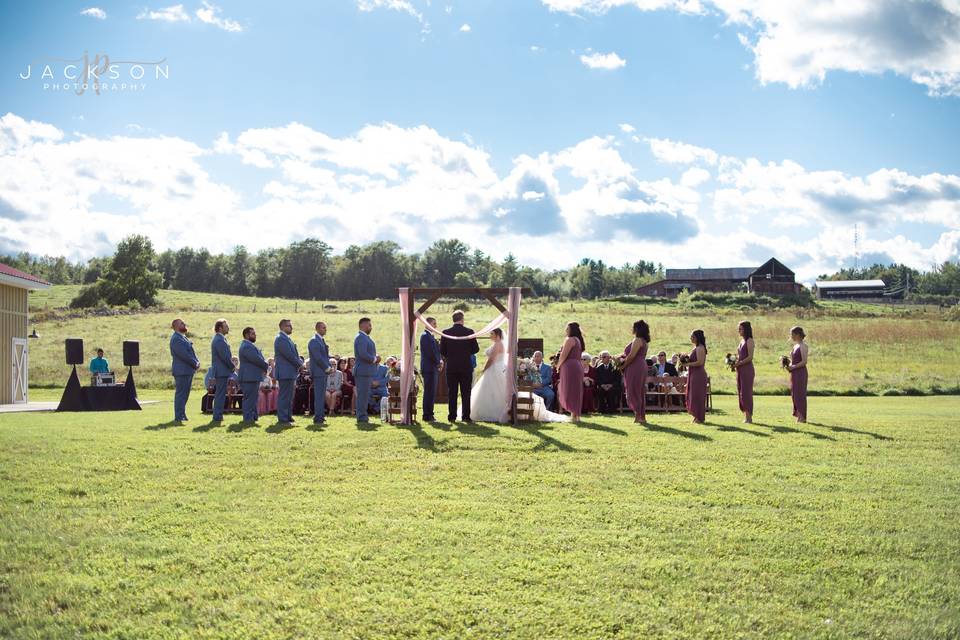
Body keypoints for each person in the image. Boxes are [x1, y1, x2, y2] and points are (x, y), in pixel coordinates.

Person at [440, 311, 480, 423]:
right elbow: (476, 349)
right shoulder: (469, 332)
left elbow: (442, 351)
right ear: (462, 319)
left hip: (451, 366)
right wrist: (466, 351)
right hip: (465, 366)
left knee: (452, 392)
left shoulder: (446, 332)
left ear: (453, 319)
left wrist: (451, 355)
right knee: (466, 392)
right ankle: (465, 416)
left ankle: (452, 416)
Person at [169, 318, 200, 423]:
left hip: (187, 370)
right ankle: (178, 416)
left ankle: (182, 414)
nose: (184, 324)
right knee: (181, 394)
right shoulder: (176, 339)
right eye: (182, 323)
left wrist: (197, 361)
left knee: (185, 394)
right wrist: (194, 363)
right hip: (181, 370)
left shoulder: (183, 337)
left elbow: (191, 353)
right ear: (176, 326)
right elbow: (184, 355)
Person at [274, 318, 303, 426]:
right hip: (285, 372)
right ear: (282, 327)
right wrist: (300, 364)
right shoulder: (281, 339)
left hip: (290, 371)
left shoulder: (287, 338)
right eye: (288, 326)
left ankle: (288, 416)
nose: (291, 327)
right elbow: (289, 356)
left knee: (289, 396)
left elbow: (293, 355)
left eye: (291, 325)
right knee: (284, 396)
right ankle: (282, 418)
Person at [620, 320, 650, 424]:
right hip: (640, 365)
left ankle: (638, 416)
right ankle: (641, 416)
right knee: (639, 391)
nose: (631, 329)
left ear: (637, 329)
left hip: (635, 366)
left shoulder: (637, 340)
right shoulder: (643, 341)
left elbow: (632, 355)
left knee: (634, 390)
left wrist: (623, 365)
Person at [238, 326, 268, 423]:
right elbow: (256, 359)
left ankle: (253, 416)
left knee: (253, 398)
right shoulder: (247, 346)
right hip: (249, 377)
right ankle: (248, 418)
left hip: (252, 376)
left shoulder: (248, 345)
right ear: (247, 335)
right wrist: (266, 366)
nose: (255, 335)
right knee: (249, 398)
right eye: (253, 334)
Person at [557, 322, 585, 422]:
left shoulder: (570, 339)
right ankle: (576, 415)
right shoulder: (578, 340)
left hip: (569, 366)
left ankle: (574, 416)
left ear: (572, 330)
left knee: (569, 390)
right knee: (576, 391)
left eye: (567, 328)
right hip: (577, 365)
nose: (566, 330)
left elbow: (563, 355)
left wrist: (558, 365)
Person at [308, 321, 333, 425]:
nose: (325, 329)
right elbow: (318, 358)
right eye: (323, 328)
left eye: (325, 328)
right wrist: (327, 368)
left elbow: (323, 356)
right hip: (319, 372)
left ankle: (321, 416)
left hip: (322, 372)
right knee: (319, 396)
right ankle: (318, 418)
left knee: (321, 395)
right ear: (317, 328)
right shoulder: (314, 341)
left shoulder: (321, 340)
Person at [353, 317, 377, 423]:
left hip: (366, 371)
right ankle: (361, 416)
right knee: (362, 395)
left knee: (365, 395)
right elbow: (363, 354)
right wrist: (375, 359)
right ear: (362, 325)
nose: (371, 327)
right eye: (369, 325)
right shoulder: (361, 338)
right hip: (363, 371)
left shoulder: (365, 337)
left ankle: (363, 415)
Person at [210, 318, 233, 422]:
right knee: (220, 394)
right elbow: (225, 357)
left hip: (222, 370)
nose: (228, 327)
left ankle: (218, 415)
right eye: (225, 326)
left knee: (220, 393)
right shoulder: (219, 340)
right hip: (221, 371)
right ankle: (217, 416)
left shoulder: (220, 339)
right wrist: (232, 366)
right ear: (220, 328)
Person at [419, 317, 442, 422]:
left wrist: (440, 360)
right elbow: (430, 353)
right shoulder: (425, 336)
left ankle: (429, 414)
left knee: (431, 392)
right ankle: (427, 415)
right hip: (429, 368)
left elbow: (436, 351)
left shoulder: (430, 336)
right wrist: (438, 362)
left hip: (432, 368)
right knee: (429, 392)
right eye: (434, 323)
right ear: (427, 324)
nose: (435, 326)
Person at [686, 329, 708, 424]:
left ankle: (699, 417)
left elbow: (700, 362)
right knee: (693, 395)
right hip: (693, 374)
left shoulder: (700, 348)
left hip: (698, 374)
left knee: (697, 396)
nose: (691, 338)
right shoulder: (696, 347)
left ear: (697, 338)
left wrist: (687, 364)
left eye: (692, 336)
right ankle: (696, 416)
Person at [735, 320, 756, 424]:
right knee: (740, 392)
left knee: (746, 393)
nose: (739, 330)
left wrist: (740, 363)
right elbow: (739, 356)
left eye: (741, 328)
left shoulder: (749, 340)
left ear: (746, 329)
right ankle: (745, 415)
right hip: (740, 369)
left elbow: (750, 357)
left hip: (747, 369)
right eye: (738, 328)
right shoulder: (741, 341)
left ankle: (749, 417)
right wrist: (733, 362)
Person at [788, 325, 809, 423]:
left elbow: (804, 361)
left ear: (797, 335)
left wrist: (794, 366)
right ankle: (798, 415)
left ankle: (802, 417)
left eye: (792, 334)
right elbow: (794, 360)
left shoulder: (803, 346)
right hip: (794, 372)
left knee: (800, 394)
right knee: (795, 394)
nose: (791, 336)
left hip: (800, 372)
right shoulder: (795, 346)